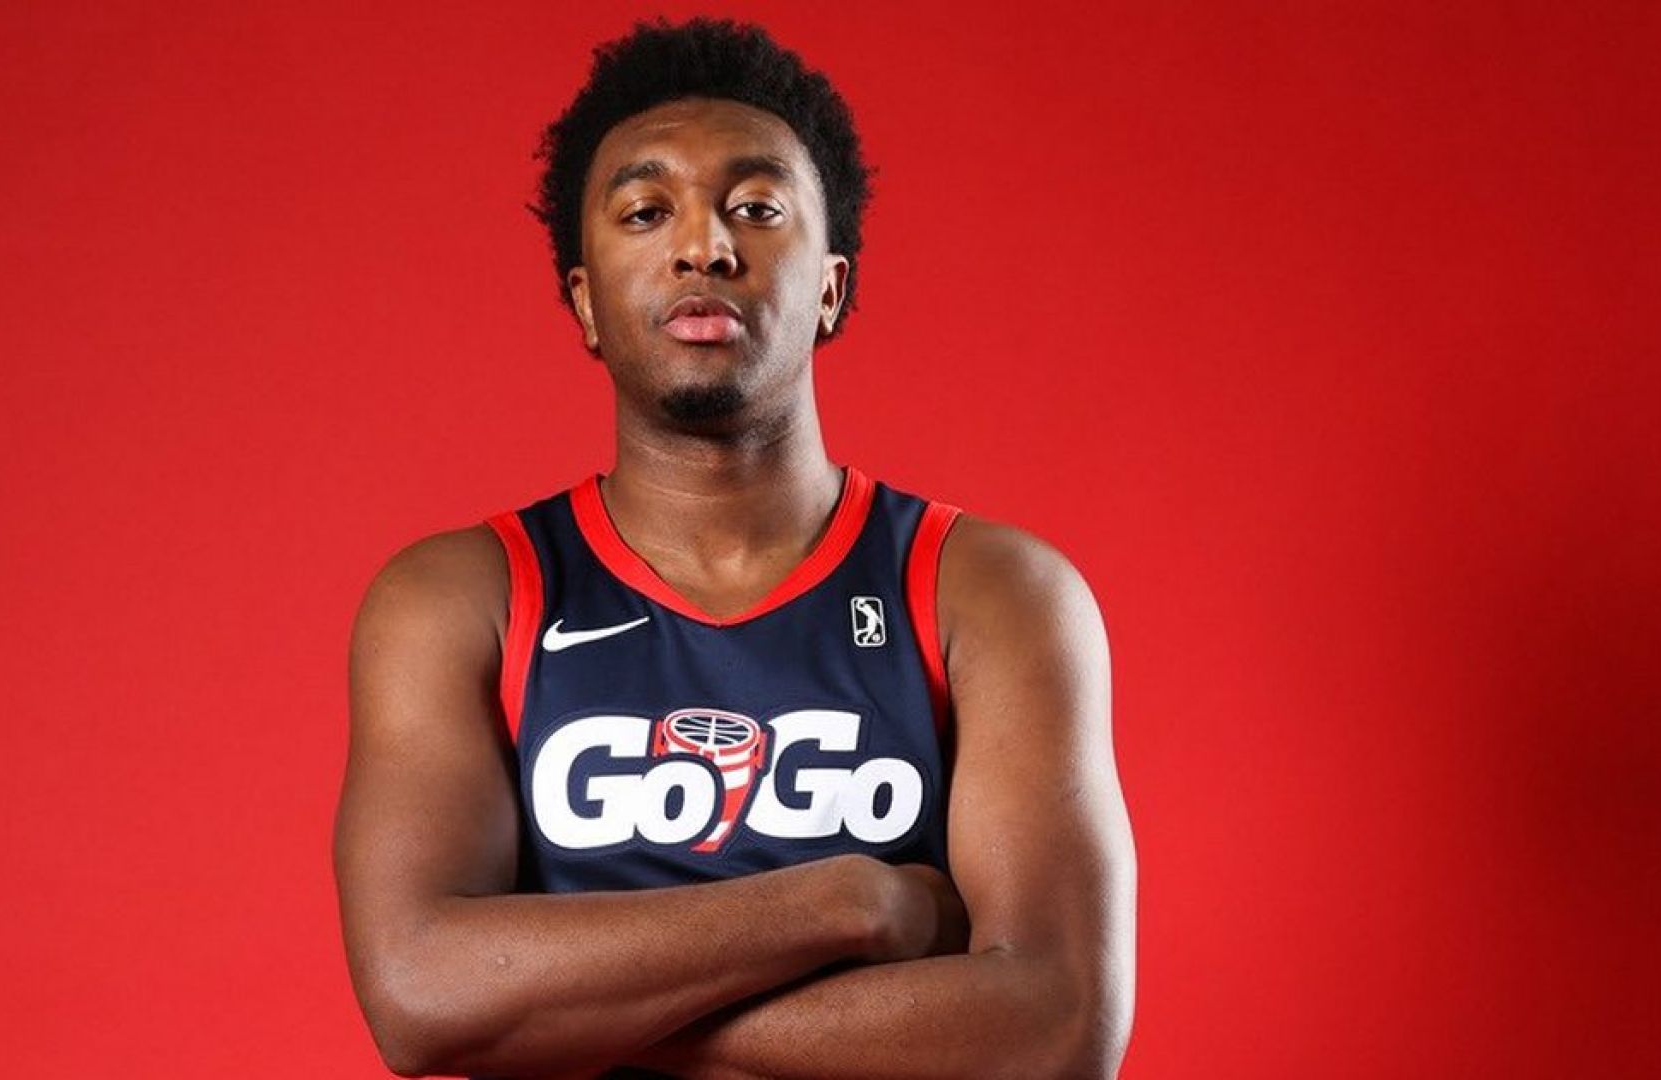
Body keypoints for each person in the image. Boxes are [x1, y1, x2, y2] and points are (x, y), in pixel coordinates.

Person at [333, 16, 1136, 1079]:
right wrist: (850, 902)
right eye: (645, 211)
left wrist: (575, 1014)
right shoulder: (464, 598)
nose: (703, 247)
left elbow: (1057, 1029)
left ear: (832, 289)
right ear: (586, 301)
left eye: (757, 208)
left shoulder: (987, 591)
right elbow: (422, 995)